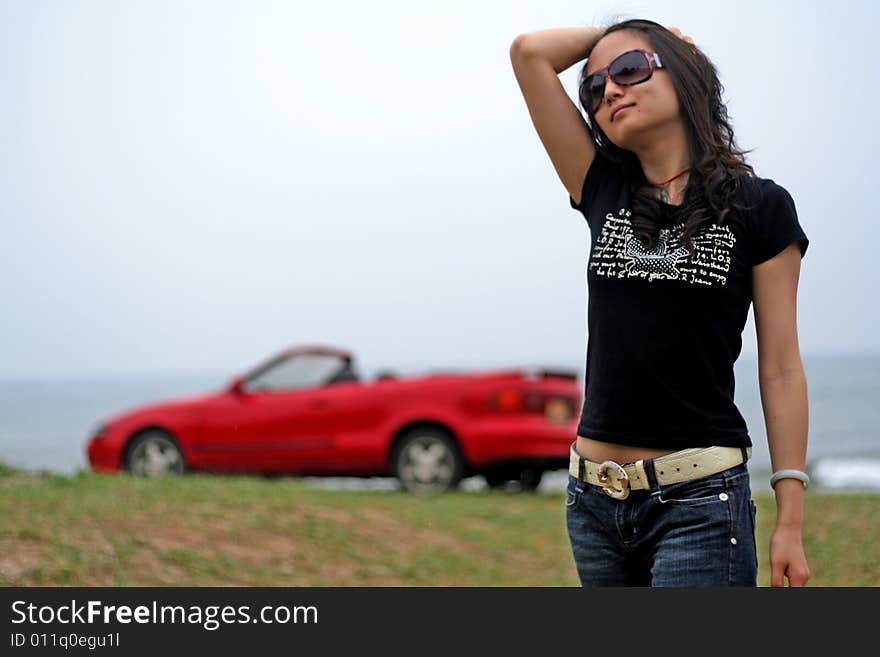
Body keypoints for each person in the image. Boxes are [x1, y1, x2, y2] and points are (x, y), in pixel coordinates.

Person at [509, 18, 811, 587]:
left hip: (699, 503)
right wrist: (616, 35)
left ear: (685, 70)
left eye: (628, 69)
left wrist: (789, 518)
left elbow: (781, 368)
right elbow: (529, 54)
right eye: (595, 89)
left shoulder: (761, 207)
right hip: (593, 503)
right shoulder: (600, 186)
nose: (610, 92)